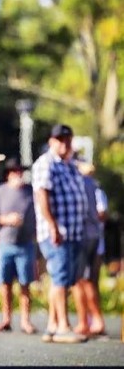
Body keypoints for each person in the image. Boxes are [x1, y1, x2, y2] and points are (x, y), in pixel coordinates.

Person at [32, 124, 88, 344]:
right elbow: (42, 196)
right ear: (51, 141)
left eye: (68, 139)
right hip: (56, 231)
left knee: (64, 277)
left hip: (73, 232)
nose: (65, 143)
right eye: (60, 140)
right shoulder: (46, 164)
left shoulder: (70, 165)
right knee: (60, 277)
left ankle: (52, 326)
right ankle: (63, 326)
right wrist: (53, 226)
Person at [0, 158, 38, 335]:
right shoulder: (0, 191)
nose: (18, 174)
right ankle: (6, 319)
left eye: (20, 171)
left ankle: (26, 321)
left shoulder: (30, 191)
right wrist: (7, 219)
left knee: (25, 284)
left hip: (25, 244)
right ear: (8, 174)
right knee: (5, 284)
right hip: (5, 244)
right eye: (15, 171)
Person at [72, 161, 107, 337]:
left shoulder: (84, 185)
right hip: (93, 237)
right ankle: (92, 320)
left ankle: (88, 321)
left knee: (82, 281)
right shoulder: (95, 187)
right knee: (88, 281)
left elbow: (101, 213)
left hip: (85, 236)